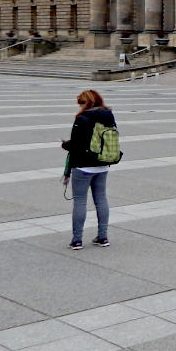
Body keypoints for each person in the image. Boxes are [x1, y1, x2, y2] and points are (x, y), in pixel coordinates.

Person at [61, 89, 116, 249]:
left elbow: (75, 145)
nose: (80, 107)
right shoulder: (108, 115)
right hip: (102, 164)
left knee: (80, 201)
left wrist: (65, 144)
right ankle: (103, 237)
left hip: (83, 166)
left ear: (88, 102)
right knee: (101, 199)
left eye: (81, 103)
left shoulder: (82, 118)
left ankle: (77, 240)